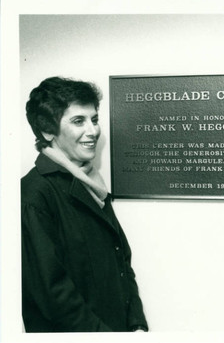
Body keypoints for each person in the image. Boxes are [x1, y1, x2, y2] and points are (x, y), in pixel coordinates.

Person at [21, 76, 149, 332]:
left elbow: (121, 260)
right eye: (78, 121)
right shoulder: (34, 195)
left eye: (94, 119)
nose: (92, 131)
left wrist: (136, 324)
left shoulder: (91, 183)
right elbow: (53, 295)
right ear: (48, 131)